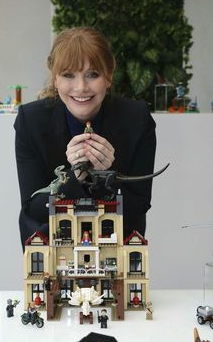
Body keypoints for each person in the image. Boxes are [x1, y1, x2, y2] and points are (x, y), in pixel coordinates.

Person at [14, 26, 156, 251]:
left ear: (109, 76)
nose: (81, 87)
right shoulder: (30, 120)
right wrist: (74, 177)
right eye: (68, 75)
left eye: (93, 74)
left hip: (115, 242)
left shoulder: (136, 119)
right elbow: (33, 207)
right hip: (50, 242)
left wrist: (102, 178)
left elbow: (138, 206)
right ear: (55, 79)